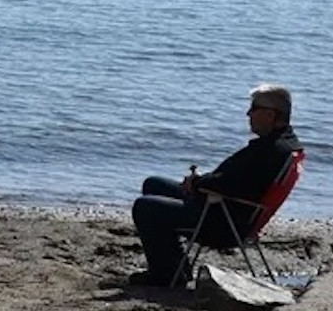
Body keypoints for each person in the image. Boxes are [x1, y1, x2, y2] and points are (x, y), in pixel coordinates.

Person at [129, 84, 304, 286]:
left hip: (223, 222)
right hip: (223, 208)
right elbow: (235, 181)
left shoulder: (271, 151)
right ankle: (174, 266)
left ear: (270, 114)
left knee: (145, 207)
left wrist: (197, 183)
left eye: (254, 108)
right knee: (153, 184)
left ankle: (166, 275)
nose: (248, 114)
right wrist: (201, 182)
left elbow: (232, 185)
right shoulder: (284, 144)